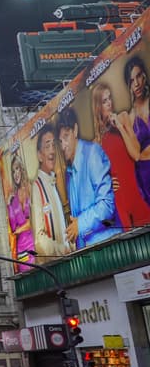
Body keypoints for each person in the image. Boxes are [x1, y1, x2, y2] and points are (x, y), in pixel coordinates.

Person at [57, 107, 121, 249]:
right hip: (90, 255)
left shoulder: (92, 153)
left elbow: (107, 205)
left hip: (111, 248)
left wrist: (80, 224)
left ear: (75, 130)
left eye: (66, 136)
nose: (63, 146)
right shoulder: (69, 172)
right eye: (60, 141)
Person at [92, 82, 150, 227]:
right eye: (105, 101)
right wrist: (109, 182)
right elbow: (97, 180)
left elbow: (136, 154)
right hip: (119, 199)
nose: (109, 103)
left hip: (136, 190)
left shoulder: (123, 118)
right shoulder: (97, 142)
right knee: (129, 243)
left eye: (110, 98)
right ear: (98, 107)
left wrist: (119, 127)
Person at [30, 123, 71, 262]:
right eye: (47, 146)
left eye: (54, 145)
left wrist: (70, 245)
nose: (52, 151)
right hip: (54, 265)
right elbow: (39, 239)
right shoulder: (37, 187)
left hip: (68, 259)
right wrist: (60, 249)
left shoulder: (53, 182)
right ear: (40, 156)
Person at [119, 56, 150, 206]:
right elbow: (136, 156)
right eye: (131, 81)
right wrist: (120, 126)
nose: (136, 84)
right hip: (145, 173)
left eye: (138, 76)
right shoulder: (130, 117)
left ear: (144, 75)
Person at [7, 152, 36, 271]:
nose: (15, 174)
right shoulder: (13, 199)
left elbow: (35, 220)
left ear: (22, 169)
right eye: (13, 171)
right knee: (27, 275)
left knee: (39, 271)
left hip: (34, 242)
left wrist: (20, 229)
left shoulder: (31, 187)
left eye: (17, 169)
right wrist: (9, 205)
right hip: (21, 248)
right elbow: (13, 227)